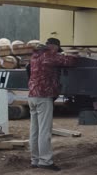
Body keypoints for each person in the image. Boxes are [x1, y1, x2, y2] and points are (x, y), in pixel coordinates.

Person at [28, 38, 76, 171]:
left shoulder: (35, 55)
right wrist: (74, 54)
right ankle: (45, 161)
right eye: (57, 49)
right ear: (53, 47)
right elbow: (69, 61)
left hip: (32, 96)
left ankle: (35, 159)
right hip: (44, 96)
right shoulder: (49, 55)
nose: (57, 52)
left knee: (35, 130)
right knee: (44, 131)